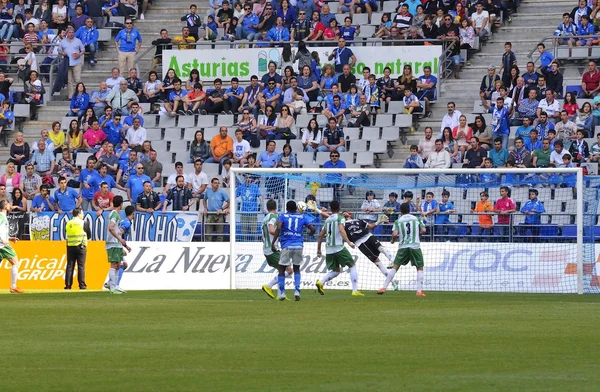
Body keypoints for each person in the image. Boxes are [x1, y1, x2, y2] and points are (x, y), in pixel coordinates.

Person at [314, 200, 363, 296]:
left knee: (336, 271)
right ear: (339, 207)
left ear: (331, 208)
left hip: (329, 249)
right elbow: (341, 230)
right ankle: (355, 290)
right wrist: (349, 242)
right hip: (339, 248)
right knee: (352, 265)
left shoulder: (327, 220)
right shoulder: (340, 218)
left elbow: (320, 236)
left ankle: (321, 282)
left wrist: (318, 250)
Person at [377, 203, 427, 297]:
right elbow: (424, 230)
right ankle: (419, 291)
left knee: (395, 267)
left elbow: (395, 234)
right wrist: (417, 235)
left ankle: (384, 287)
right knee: (419, 267)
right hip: (415, 246)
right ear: (409, 209)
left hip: (403, 246)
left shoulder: (398, 221)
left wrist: (392, 240)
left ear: (401, 211)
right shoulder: (416, 218)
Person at [271, 200, 315, 301]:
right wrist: (310, 234)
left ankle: (282, 292)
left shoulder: (282, 216)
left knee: (282, 269)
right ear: (296, 208)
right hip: (298, 245)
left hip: (286, 245)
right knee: (296, 269)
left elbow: (278, 228)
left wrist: (273, 242)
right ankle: (297, 291)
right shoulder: (302, 217)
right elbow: (312, 229)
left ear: (286, 208)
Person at [105, 195, 131, 294]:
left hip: (116, 243)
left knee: (117, 265)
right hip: (113, 243)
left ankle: (114, 286)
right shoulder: (115, 214)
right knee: (114, 264)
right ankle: (112, 288)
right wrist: (119, 238)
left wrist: (124, 245)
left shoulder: (114, 214)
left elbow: (115, 229)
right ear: (121, 204)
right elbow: (111, 227)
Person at [64, 206, 91, 290]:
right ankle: (82, 285)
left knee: (70, 266)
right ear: (79, 213)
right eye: (82, 213)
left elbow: (66, 232)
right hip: (81, 246)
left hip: (70, 246)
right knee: (81, 266)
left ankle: (68, 285)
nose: (83, 215)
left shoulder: (68, 223)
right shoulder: (83, 223)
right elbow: (89, 234)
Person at [0, 200, 23, 293]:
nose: (10, 205)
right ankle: (13, 286)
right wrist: (4, 240)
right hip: (2, 245)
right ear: (5, 206)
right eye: (9, 204)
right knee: (15, 262)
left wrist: (9, 238)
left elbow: (3, 232)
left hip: (2, 243)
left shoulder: (3, 216)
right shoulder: (1, 217)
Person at [204, 177, 229, 242]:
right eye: (215, 183)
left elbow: (229, 202)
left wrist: (222, 209)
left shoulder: (222, 192)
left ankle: (219, 249)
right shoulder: (208, 191)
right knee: (208, 234)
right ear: (211, 184)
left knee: (220, 234)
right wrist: (205, 208)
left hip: (219, 215)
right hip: (210, 214)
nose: (217, 184)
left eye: (218, 183)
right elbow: (204, 200)